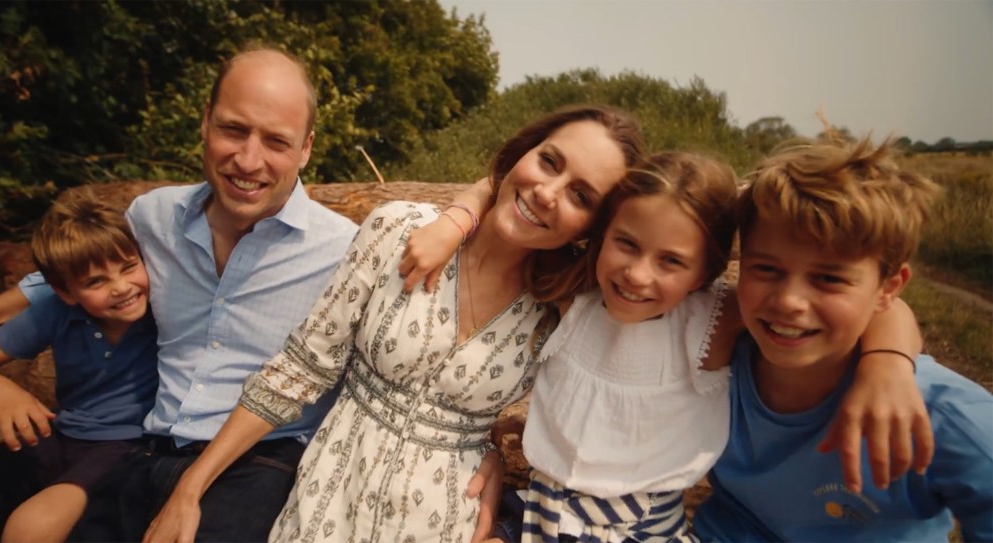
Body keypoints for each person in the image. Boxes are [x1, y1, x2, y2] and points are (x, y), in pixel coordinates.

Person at [142, 104, 647, 542]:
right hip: (328, 504)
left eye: (581, 196)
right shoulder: (401, 229)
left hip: (447, 521)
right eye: (549, 161)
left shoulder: (561, 311)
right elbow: (300, 369)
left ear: (592, 228)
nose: (547, 192)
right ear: (522, 152)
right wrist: (191, 487)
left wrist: (494, 444)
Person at [411, 150, 926, 542]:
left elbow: (887, 305)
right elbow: (501, 188)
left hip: (639, 530)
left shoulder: (712, 320)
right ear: (601, 234)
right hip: (542, 513)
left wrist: (888, 365)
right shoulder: (575, 293)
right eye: (626, 244)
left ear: (708, 270)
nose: (638, 275)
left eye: (671, 262)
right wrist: (456, 219)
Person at [0, 46, 362, 540]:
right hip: (144, 448)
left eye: (276, 141)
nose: (248, 159)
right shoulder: (151, 219)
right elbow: (63, 280)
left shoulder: (344, 251)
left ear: (306, 148)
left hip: (261, 460)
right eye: (233, 129)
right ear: (205, 121)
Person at [692, 136, 993, 542]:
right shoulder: (715, 354)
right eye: (765, 269)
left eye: (828, 279)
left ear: (889, 287)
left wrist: (888, 362)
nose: (788, 301)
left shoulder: (941, 416)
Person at [0, 190, 158, 542]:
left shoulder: (162, 308)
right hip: (56, 433)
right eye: (96, 281)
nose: (121, 287)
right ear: (66, 292)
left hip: (126, 447)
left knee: (29, 528)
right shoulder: (57, 310)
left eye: (129, 267)